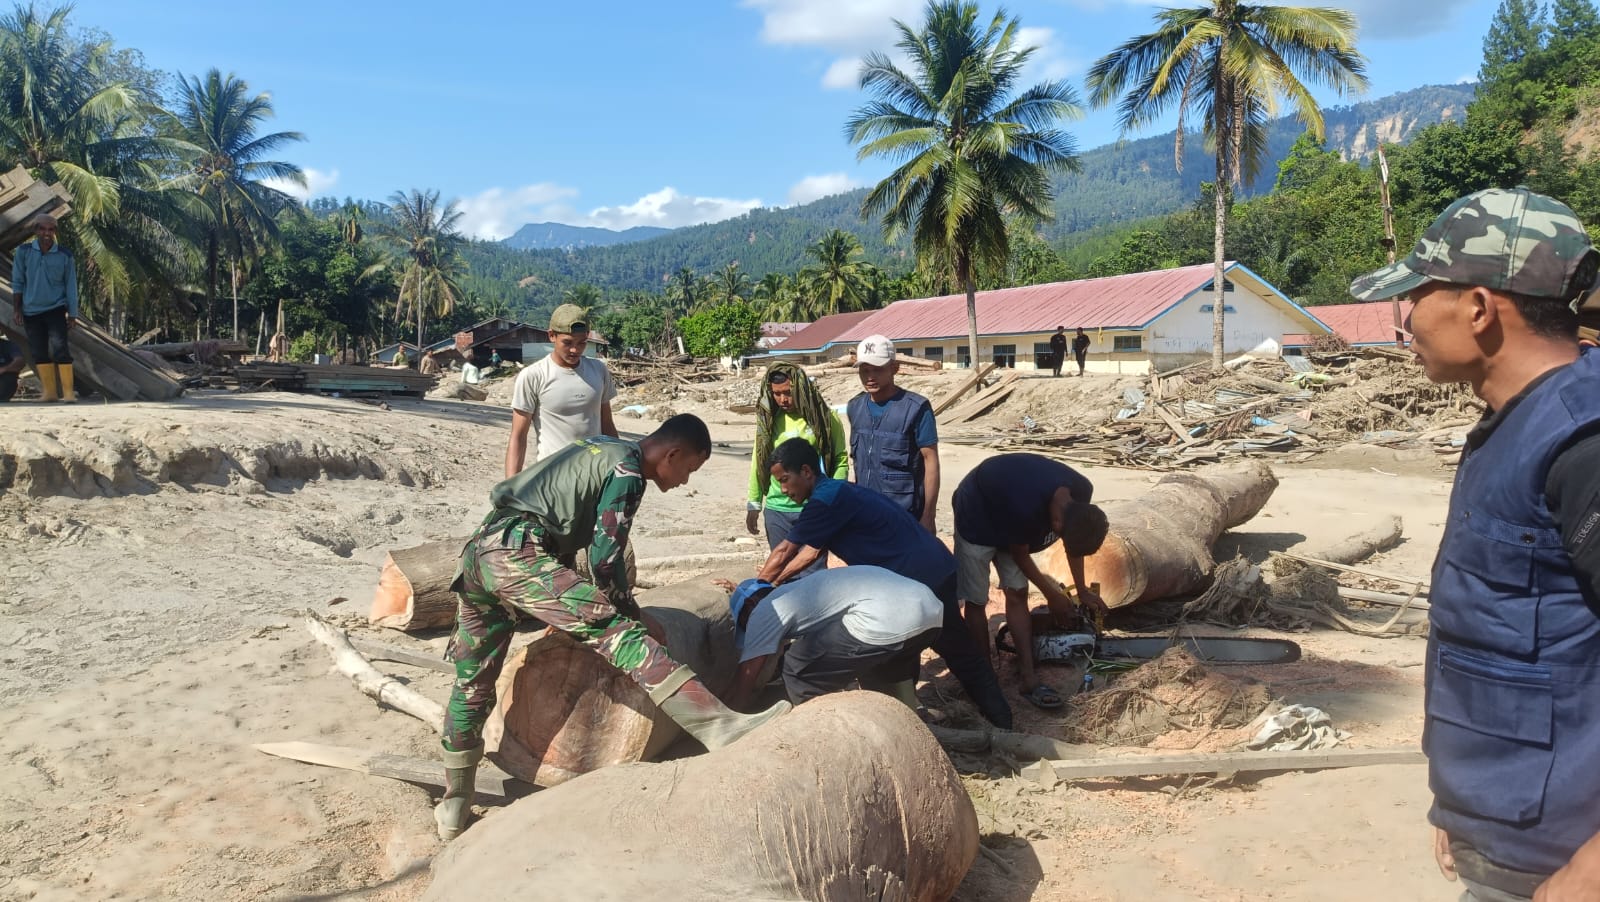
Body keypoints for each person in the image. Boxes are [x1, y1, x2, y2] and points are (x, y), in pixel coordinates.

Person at [1347, 187, 1600, 902]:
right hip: (1506, 826)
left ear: (1480, 308)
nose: (1406, 320)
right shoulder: (1514, 423)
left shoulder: (1584, 443)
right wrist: (1465, 802)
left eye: (1417, 295)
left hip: (1560, 859)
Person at [435, 414, 789, 840]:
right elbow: (606, 559)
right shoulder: (628, 469)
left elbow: (553, 519)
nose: (684, 481)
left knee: (472, 683)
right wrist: (631, 614)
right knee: (621, 634)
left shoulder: (600, 447)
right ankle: (720, 725)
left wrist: (561, 613)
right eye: (689, 469)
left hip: (480, 553)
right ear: (672, 453)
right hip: (516, 555)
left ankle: (454, 803)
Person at [756, 437, 1013, 729]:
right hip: (931, 567)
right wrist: (769, 583)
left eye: (786, 480)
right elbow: (809, 552)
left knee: (942, 651)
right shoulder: (837, 491)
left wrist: (757, 589)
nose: (785, 491)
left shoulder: (825, 501)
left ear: (806, 471)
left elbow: (787, 551)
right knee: (924, 647)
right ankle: (922, 716)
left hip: (920, 577)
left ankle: (1000, 725)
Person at [953, 453, 1109, 710]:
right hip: (977, 517)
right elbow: (1020, 555)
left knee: (1018, 594)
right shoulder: (1025, 505)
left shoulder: (1082, 491)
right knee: (976, 599)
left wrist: (1081, 590)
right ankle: (985, 678)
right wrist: (1052, 596)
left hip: (1015, 521)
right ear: (1055, 522)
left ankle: (1028, 678)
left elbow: (1074, 546)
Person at [719, 566, 943, 711]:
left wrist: (731, 713)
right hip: (930, 612)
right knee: (880, 671)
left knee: (798, 669)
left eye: (744, 624)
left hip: (884, 621)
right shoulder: (800, 593)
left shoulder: (765, 610)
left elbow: (747, 677)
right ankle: (908, 718)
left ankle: (816, 735)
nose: (750, 630)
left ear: (750, 606)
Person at [746, 362, 848, 578]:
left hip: (813, 507)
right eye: (776, 394)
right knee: (782, 571)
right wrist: (754, 504)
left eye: (788, 393)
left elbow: (839, 459)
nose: (783, 399)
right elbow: (758, 460)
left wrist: (833, 499)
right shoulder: (769, 422)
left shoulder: (825, 419)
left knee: (814, 572)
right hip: (777, 509)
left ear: (800, 389)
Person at [506, 304, 618, 476]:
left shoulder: (598, 370)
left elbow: (607, 425)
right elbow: (518, 437)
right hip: (552, 478)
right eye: (567, 343)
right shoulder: (533, 376)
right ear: (551, 335)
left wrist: (619, 468)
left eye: (581, 343)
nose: (575, 350)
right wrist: (510, 486)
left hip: (594, 475)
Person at [847, 334, 940, 532]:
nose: (870, 377)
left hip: (904, 515)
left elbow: (930, 461)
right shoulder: (855, 407)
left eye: (878, 369)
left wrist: (928, 516)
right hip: (865, 512)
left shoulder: (916, 408)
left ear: (894, 368)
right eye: (865, 370)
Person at [11, 215, 77, 402]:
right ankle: (49, 393)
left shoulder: (65, 255)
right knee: (38, 351)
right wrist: (17, 309)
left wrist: (72, 314)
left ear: (55, 232)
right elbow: (18, 282)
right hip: (30, 310)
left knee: (60, 349)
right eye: (43, 229)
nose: (46, 233)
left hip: (56, 308)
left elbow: (71, 286)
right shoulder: (23, 252)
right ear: (36, 230)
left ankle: (69, 394)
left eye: (51, 229)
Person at [0, 337, 23, 402]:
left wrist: (4, 369)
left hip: (4, 378)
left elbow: (20, 361)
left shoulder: (9, 345)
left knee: (9, 377)